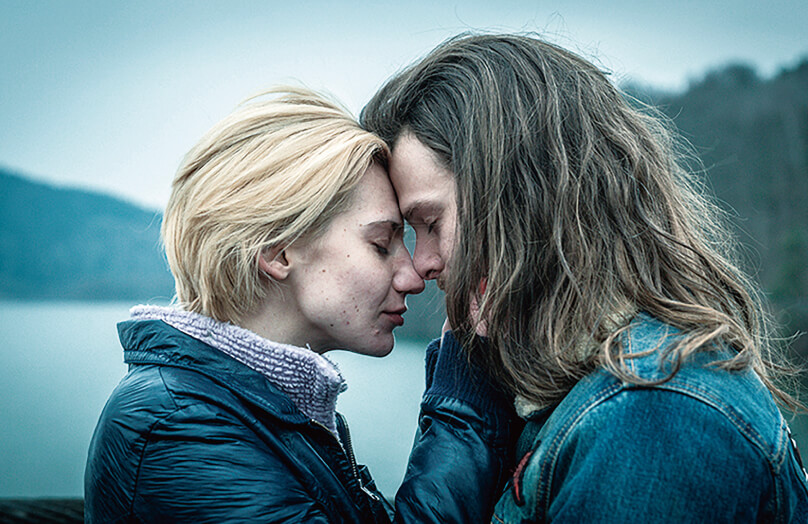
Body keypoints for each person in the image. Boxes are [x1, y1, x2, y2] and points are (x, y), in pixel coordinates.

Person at [361, 33, 808, 522]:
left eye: (430, 223)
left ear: (523, 198)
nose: (421, 264)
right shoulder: (579, 388)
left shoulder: (650, 413)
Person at [84, 87, 513, 523]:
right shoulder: (180, 428)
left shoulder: (248, 406)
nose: (414, 276)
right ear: (278, 252)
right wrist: (465, 385)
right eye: (382, 244)